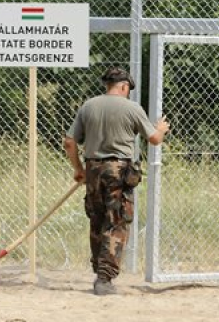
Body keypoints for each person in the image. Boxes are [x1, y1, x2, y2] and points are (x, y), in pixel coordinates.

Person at [64, 66, 170, 296]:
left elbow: (70, 142)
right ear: (123, 86)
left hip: (93, 169)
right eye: (127, 89)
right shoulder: (132, 108)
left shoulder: (88, 106)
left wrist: (79, 169)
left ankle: (99, 271)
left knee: (97, 219)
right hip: (119, 171)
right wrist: (161, 129)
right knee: (117, 221)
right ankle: (104, 278)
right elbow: (153, 139)